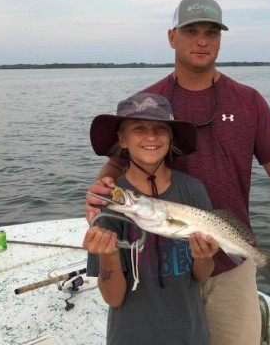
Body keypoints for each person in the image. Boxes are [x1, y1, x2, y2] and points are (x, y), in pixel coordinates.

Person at [85, 0, 270, 345]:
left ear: (221, 40)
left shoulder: (248, 100)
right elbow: (115, 168)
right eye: (191, 31)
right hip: (166, 268)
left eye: (212, 32)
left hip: (231, 262)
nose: (202, 40)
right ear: (172, 37)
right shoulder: (150, 104)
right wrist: (98, 195)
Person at [83, 92, 219, 345]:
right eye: (139, 128)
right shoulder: (110, 203)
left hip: (191, 334)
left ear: (170, 138)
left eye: (160, 129)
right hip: (131, 336)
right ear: (122, 139)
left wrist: (204, 256)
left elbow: (203, 275)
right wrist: (108, 254)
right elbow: (113, 298)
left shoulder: (193, 190)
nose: (151, 136)